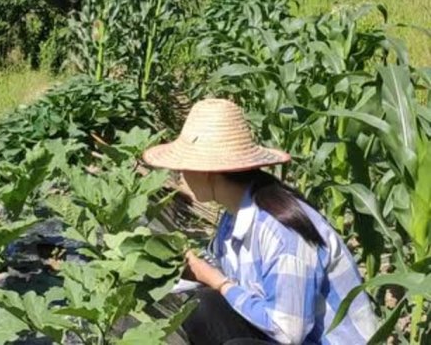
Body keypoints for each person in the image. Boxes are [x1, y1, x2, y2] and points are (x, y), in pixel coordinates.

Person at [142, 98, 379, 345]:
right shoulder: (235, 213)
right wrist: (190, 271)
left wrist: (218, 282)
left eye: (183, 167)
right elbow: (225, 273)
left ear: (207, 171)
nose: (180, 175)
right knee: (201, 308)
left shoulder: (282, 232)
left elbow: (289, 331)